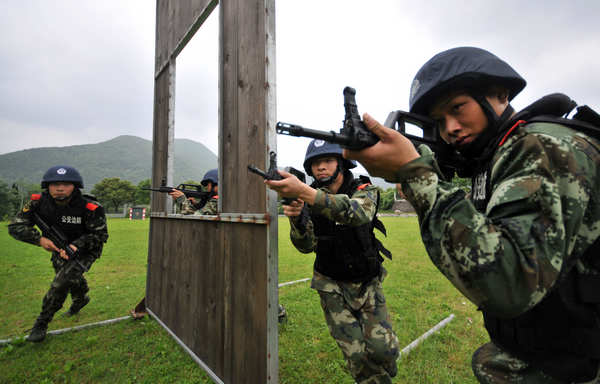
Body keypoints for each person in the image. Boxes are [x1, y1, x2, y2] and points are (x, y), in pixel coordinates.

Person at [343, 46, 600, 383]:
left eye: (457, 108)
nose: (450, 127)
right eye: (439, 121)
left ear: (500, 94)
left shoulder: (540, 146)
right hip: (552, 351)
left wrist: (417, 177)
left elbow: (510, 281)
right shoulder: (502, 154)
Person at [265, 140, 399, 384]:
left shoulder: (363, 187)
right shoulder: (309, 198)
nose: (321, 168)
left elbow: (359, 213)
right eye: (315, 163)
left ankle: (385, 359)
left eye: (327, 161)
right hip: (331, 286)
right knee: (357, 358)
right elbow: (305, 247)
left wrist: (306, 194)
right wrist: (296, 219)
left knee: (384, 351)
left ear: (341, 163)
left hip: (367, 282)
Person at [8, 165, 108, 342]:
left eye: (65, 184)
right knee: (67, 277)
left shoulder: (90, 207)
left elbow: (100, 235)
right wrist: (39, 240)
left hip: (85, 249)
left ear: (75, 186)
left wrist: (77, 246)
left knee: (61, 282)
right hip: (56, 246)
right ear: (47, 186)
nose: (59, 188)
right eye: (54, 184)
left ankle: (42, 322)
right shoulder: (38, 203)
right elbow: (15, 226)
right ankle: (81, 298)